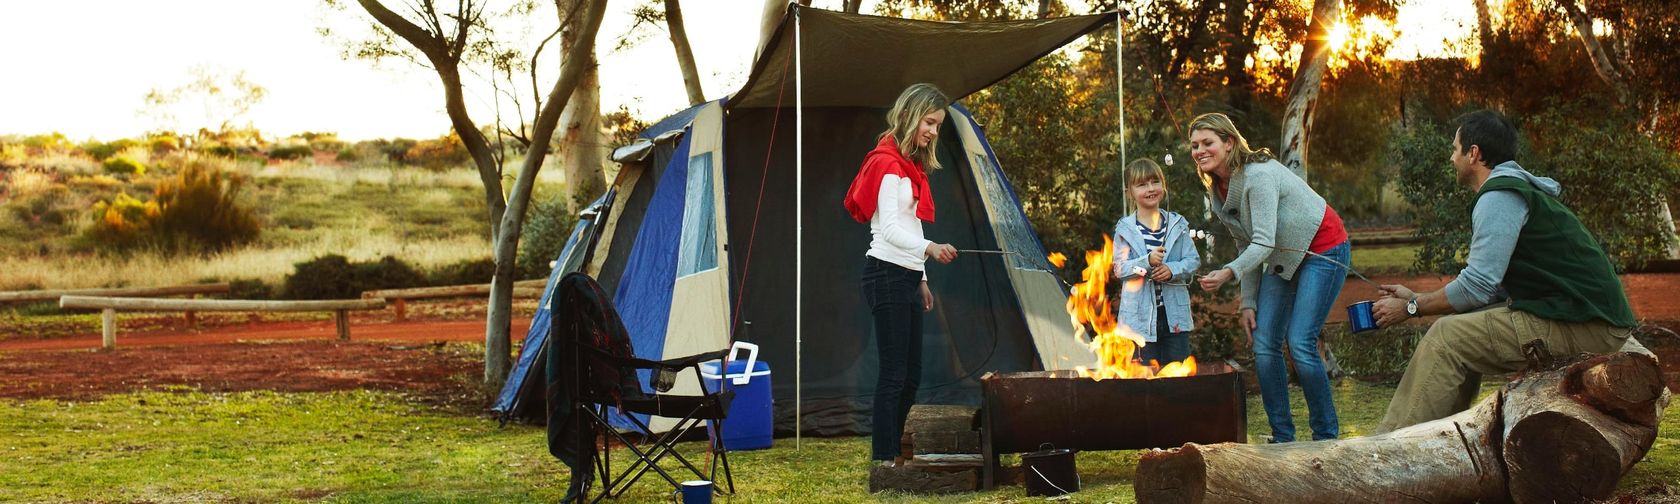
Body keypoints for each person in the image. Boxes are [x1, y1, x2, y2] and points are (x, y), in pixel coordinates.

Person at [1369, 109, 1649, 432]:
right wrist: (1416, 296)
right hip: (1587, 319)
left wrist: (1411, 307)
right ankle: (1440, 440)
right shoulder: (1513, 189)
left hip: (1587, 325)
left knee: (1446, 337)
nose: (1451, 157)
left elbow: (1476, 287)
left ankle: (1390, 447)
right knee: (1459, 329)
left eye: (1455, 148)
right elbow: (1489, 289)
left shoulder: (1499, 196)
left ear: (1473, 154)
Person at [1189, 112, 1351, 443]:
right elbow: (1245, 241)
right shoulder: (1218, 188)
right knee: (1264, 345)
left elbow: (1262, 240)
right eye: (1194, 145)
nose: (1200, 150)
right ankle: (1283, 437)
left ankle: (1326, 436)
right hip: (1283, 256)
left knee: (1301, 342)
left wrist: (1229, 272)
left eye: (1208, 143)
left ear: (1229, 142)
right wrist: (1248, 302)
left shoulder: (1257, 176)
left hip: (1323, 249)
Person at [842, 83, 958, 467]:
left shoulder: (912, 166)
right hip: (885, 273)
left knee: (912, 374)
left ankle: (896, 451)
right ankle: (885, 458)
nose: (933, 132)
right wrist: (930, 250)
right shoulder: (887, 164)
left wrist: (922, 276)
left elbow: (914, 225)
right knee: (893, 373)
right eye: (929, 122)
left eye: (938, 126)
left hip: (907, 275)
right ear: (911, 115)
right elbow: (890, 230)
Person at [1111, 158, 1200, 365]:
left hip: (1174, 317)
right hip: (1138, 320)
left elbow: (1192, 260)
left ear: (1163, 185)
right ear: (1129, 192)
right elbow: (1120, 269)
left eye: (1155, 182)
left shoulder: (1177, 224)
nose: (1150, 189)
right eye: (1142, 184)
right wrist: (1146, 261)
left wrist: (1172, 269)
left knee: (1177, 374)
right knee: (1142, 380)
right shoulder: (1125, 229)